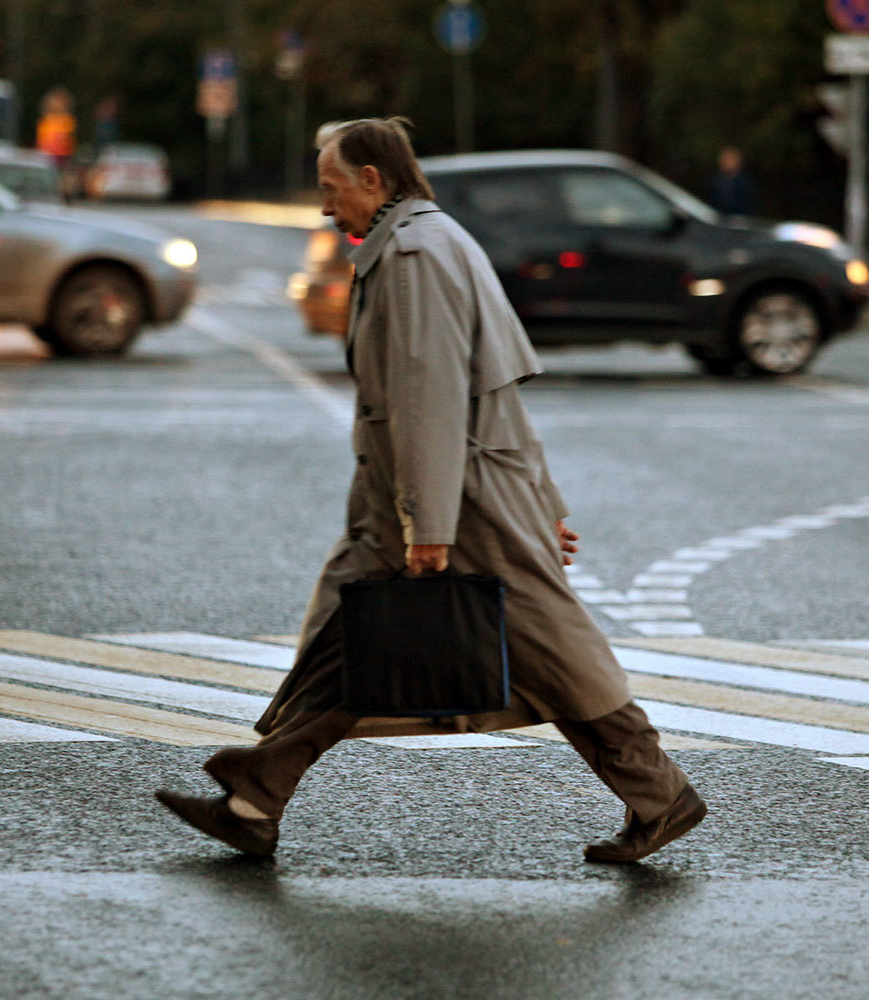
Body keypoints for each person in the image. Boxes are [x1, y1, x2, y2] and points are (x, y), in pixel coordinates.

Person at [155, 117, 706, 864]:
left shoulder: (417, 255)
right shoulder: (418, 243)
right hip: (428, 491)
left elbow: (433, 398)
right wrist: (529, 503)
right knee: (358, 636)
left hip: (459, 496)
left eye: (331, 187)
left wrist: (432, 527)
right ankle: (257, 796)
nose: (324, 205)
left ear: (374, 181)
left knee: (549, 647)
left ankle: (660, 795)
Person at [708, 145, 756, 217]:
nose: (728, 163)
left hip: (738, 221)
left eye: (730, 159)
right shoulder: (715, 182)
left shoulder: (744, 183)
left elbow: (747, 205)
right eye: (725, 159)